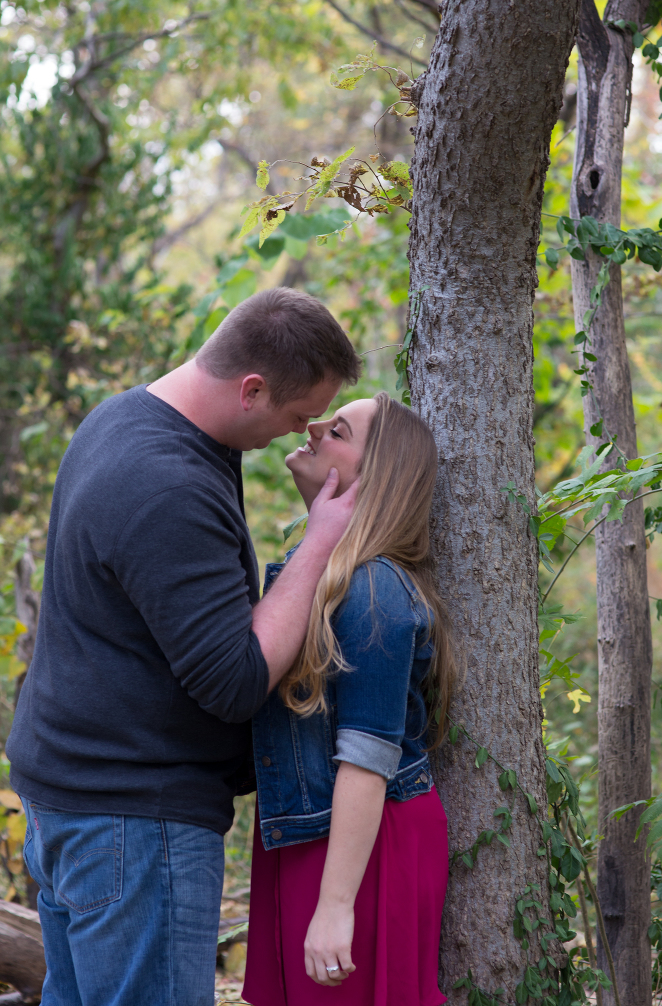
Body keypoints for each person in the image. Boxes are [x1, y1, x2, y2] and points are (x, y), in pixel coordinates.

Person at [6, 287, 362, 1006]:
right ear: (251, 388)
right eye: (295, 417)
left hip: (76, 803)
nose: (295, 436)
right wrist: (322, 541)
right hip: (133, 822)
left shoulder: (124, 420)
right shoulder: (165, 481)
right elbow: (233, 680)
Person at [243, 391, 456, 1006]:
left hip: (364, 841)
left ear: (374, 478)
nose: (309, 428)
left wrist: (335, 906)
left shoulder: (371, 591)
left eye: (336, 430)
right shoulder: (329, 575)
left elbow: (367, 758)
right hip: (319, 831)